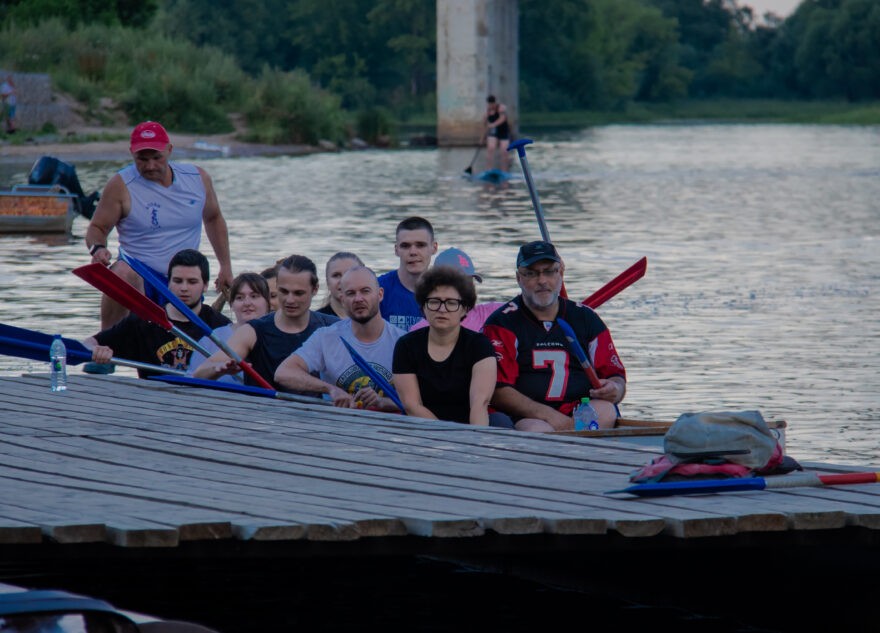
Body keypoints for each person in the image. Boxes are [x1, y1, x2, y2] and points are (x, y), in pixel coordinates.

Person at [84, 121, 234, 331]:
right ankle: (107, 345)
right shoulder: (120, 185)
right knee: (120, 272)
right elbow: (96, 228)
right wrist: (98, 248)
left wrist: (225, 266)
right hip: (139, 275)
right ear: (131, 154)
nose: (150, 166)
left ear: (169, 150)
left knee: (164, 351)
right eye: (142, 159)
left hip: (182, 278)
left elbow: (213, 218)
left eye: (157, 158)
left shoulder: (197, 179)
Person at [482, 241, 627, 433]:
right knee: (536, 430)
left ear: (561, 273)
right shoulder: (502, 323)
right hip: (528, 417)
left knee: (606, 410)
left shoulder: (586, 318)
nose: (542, 280)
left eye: (549, 271)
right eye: (532, 273)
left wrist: (614, 389)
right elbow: (498, 390)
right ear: (518, 278)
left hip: (580, 410)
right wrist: (550, 416)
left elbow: (616, 377)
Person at [194, 255, 339, 390]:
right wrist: (218, 369)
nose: (289, 300)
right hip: (262, 414)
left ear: (315, 289)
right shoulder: (253, 331)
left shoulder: (332, 327)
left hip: (317, 414)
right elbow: (199, 373)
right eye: (283, 291)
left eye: (298, 293)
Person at [83, 249, 231, 378]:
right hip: (151, 405)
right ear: (168, 283)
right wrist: (96, 350)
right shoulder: (143, 322)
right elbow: (88, 343)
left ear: (205, 285)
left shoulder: (220, 325)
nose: (184, 288)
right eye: (178, 281)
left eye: (192, 282)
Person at [275, 266, 404, 410]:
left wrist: (382, 402)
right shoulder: (326, 337)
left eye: (365, 291)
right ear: (342, 300)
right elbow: (283, 373)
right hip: (336, 425)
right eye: (350, 293)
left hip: (388, 428)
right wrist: (331, 389)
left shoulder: (402, 341)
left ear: (380, 294)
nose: (358, 299)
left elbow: (421, 400)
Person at [393, 266, 497, 425]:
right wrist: (444, 438)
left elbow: (479, 404)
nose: (442, 309)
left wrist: (475, 443)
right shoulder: (406, 346)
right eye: (434, 302)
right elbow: (412, 405)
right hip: (422, 428)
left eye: (451, 303)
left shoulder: (480, 346)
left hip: (470, 429)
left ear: (465, 309)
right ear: (423, 307)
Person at [187, 272, 271, 383]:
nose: (247, 303)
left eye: (254, 296)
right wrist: (216, 370)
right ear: (231, 304)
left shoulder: (279, 334)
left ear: (268, 301)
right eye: (240, 298)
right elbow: (191, 379)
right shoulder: (212, 339)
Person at [409, 248, 503, 333]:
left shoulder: (491, 313)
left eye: (469, 281)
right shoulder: (420, 331)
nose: (466, 289)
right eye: (460, 283)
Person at [378, 216, 437, 332]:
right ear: (396, 250)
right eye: (405, 246)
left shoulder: (446, 292)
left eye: (420, 245)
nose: (413, 252)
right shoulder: (378, 289)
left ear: (434, 248)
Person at [317, 251, 364, 318]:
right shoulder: (315, 323)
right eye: (336, 275)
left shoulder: (375, 318)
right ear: (327, 282)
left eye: (349, 274)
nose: (343, 280)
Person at [482, 95, 510, 172]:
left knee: (504, 151)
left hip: (503, 131)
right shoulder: (488, 111)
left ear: (494, 103)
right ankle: (488, 169)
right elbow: (485, 123)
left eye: (492, 104)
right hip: (493, 132)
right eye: (489, 104)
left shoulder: (501, 108)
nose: (491, 106)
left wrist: (493, 124)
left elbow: (502, 119)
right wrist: (485, 121)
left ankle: (505, 170)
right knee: (490, 149)